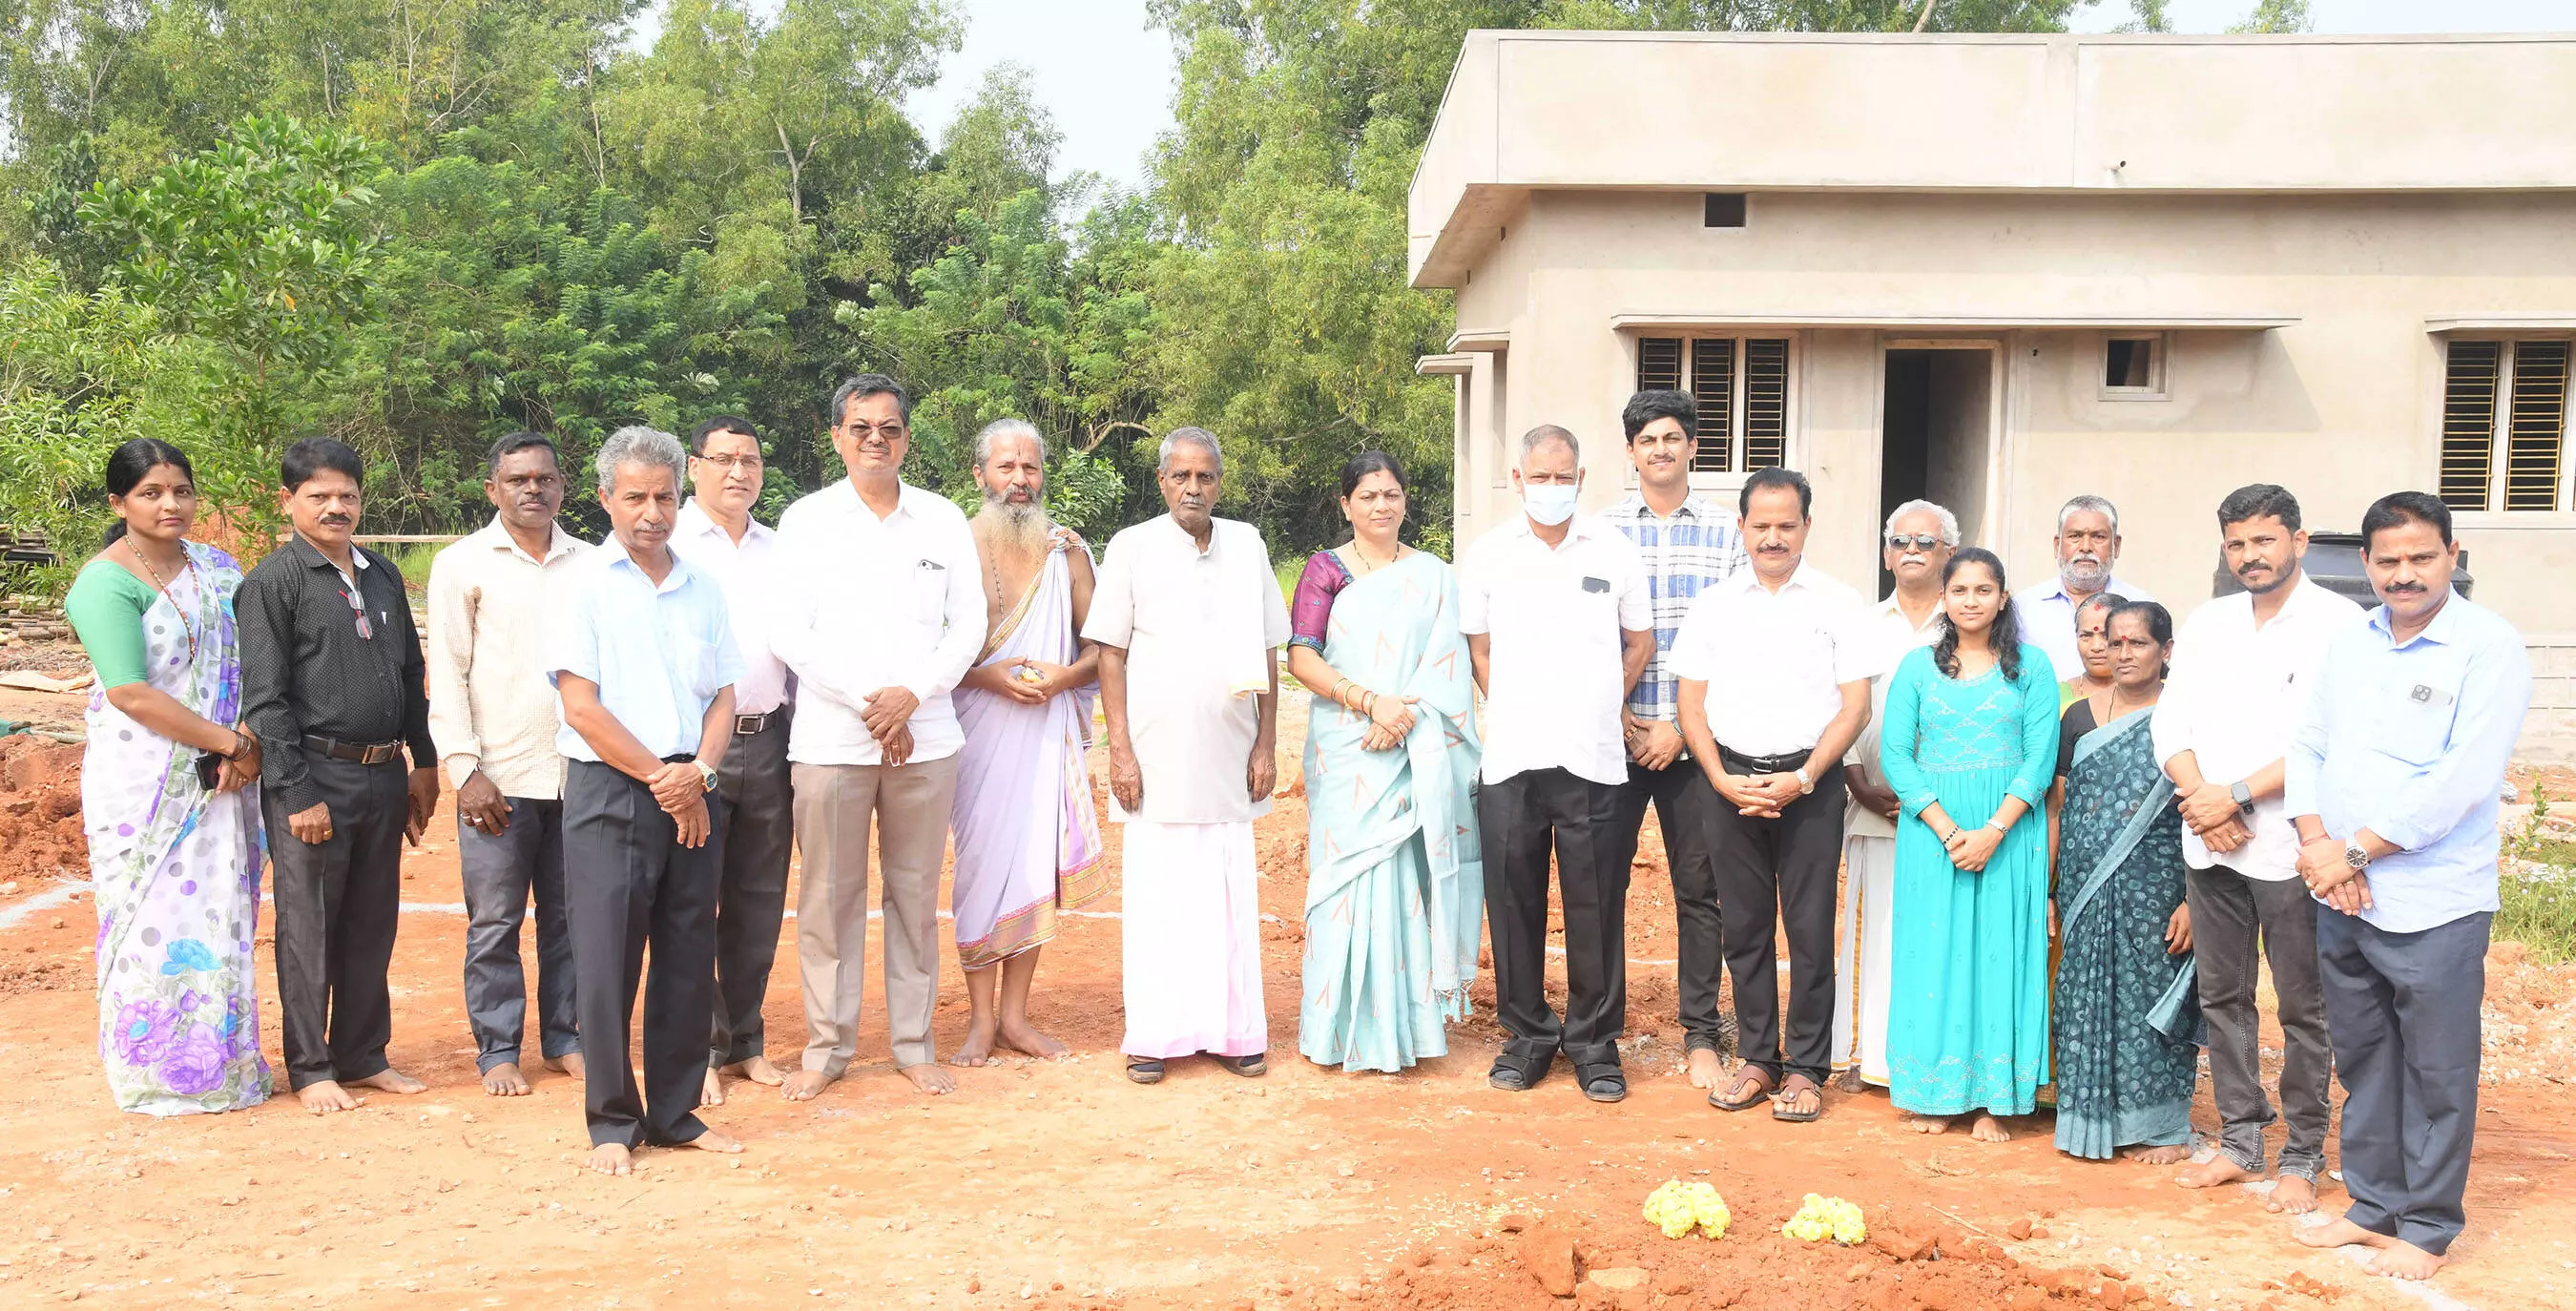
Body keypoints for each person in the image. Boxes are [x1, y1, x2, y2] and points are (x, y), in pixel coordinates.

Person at [2288, 491, 2529, 1281]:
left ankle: (2425, 1227)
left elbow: (2464, 777)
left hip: (2433, 901)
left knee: (2436, 1069)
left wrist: (2354, 852)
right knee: (2364, 1057)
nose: (2404, 574)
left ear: (2452, 556)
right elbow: (2309, 745)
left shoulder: (2487, 647)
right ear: (2365, 563)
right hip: (2342, 893)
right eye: (2387, 560)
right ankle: (2372, 1204)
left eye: (2421, 557)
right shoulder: (2349, 642)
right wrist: (2318, 845)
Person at [770, 375, 984, 1098]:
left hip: (926, 737)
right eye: (861, 427)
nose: (875, 440)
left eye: (889, 428)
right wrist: (872, 702)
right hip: (833, 740)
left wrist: (912, 696)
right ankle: (827, 1048)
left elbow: (970, 624)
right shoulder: (807, 521)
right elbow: (790, 631)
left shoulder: (942, 519)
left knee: (914, 896)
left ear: (907, 439)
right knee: (828, 899)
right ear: (836, 436)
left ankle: (913, 1044)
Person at [2155, 485, 2363, 1213]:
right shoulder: (2208, 623)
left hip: (2291, 847)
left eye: (2264, 540)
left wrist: (2236, 795)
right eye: (2238, 543)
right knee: (2223, 997)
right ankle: (2241, 1140)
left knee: (2304, 1007)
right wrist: (2203, 800)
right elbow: (2170, 724)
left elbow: (2328, 738)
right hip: (2209, 843)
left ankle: (2303, 1153)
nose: (2251, 555)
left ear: (2298, 542)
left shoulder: (2340, 625)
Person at [549, 425, 745, 1175]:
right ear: (605, 499)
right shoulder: (582, 586)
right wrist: (665, 779)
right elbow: (582, 707)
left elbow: (724, 695)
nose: (652, 513)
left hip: (694, 788)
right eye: (635, 497)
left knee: (688, 952)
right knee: (607, 961)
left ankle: (673, 1112)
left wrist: (699, 772)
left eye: (665, 497)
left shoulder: (703, 588)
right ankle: (611, 1120)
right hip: (613, 790)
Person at [239, 436, 441, 1113]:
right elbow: (265, 700)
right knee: (309, 927)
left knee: (371, 921)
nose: (335, 508)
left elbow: (410, 672)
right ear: (288, 500)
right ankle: (311, 1066)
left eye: (347, 495)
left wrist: (423, 761)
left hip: (383, 773)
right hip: (315, 776)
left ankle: (362, 1054)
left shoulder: (381, 573)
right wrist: (297, 791)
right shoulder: (274, 582)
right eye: (318, 495)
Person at [69, 440, 270, 1114]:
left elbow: (251, 660)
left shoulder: (217, 568)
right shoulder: (105, 582)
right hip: (145, 781)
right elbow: (130, 691)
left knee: (218, 912)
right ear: (118, 502)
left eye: (181, 491)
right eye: (150, 493)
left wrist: (242, 744)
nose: (170, 504)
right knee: (151, 917)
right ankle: (156, 1073)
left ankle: (224, 1066)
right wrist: (230, 743)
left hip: (225, 774)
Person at [1088, 427, 1291, 1083]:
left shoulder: (1248, 544)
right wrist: (1120, 751)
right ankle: (1154, 1036)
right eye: (1181, 476)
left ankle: (1234, 1033)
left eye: (1205, 476)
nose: (1193, 488)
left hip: (1232, 755)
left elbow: (1269, 647)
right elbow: (1110, 654)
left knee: (1227, 900)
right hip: (1154, 759)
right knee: (1159, 899)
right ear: (1162, 482)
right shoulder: (1131, 547)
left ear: (1220, 483)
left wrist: (1266, 742)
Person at [1458, 425, 1654, 1103]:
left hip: (1593, 760)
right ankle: (1527, 1036)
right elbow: (1480, 651)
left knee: (1594, 902)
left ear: (1581, 479)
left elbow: (1639, 641)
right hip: (1512, 759)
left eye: (1562, 477)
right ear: (1517, 480)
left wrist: (1600, 703)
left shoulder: (1614, 550)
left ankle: (1595, 1043)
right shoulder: (1488, 554)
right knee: (1513, 901)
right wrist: (1519, 708)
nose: (1550, 488)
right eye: (1538, 476)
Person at [1674, 468, 1872, 1124]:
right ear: (1741, 527)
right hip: (1728, 783)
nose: (1773, 537)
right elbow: (1691, 704)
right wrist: (1719, 778)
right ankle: (1759, 1058)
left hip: (1809, 786)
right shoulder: (1714, 605)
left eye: (1787, 525)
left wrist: (1805, 778)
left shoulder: (1839, 602)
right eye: (1761, 525)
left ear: (1807, 526)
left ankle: (1808, 1068)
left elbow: (1856, 706)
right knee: (1745, 928)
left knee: (1810, 929)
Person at [1285, 451, 1483, 1073]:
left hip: (1411, 743)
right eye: (1367, 495)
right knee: (1342, 883)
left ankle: (1406, 1030)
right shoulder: (1324, 570)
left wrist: (1402, 716)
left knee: (1404, 880)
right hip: (1347, 748)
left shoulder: (1434, 576)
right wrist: (1371, 704)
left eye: (1391, 494)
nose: (1381, 505)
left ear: (1405, 500)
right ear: (1346, 505)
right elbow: (1302, 657)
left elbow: (1448, 666)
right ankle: (1335, 1028)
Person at [426, 432, 589, 1098]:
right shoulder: (462, 564)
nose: (533, 489)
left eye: (545, 478)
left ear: (562, 487)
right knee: (495, 922)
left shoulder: (592, 564)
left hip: (578, 774)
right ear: (493, 489)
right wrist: (465, 770)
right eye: (518, 480)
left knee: (570, 919)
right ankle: (497, 1050)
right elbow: (449, 670)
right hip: (497, 782)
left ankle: (567, 1039)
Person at [1879, 547, 2058, 1142]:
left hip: (2010, 834)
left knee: (2000, 956)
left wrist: (1993, 831)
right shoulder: (1915, 668)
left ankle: (1993, 1100)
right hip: (1934, 836)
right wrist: (1952, 831)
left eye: (1984, 590)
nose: (1972, 601)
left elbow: (2039, 760)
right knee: (1934, 957)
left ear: (2003, 598)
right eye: (1960, 590)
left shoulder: (2031, 667)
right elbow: (1896, 757)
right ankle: (1937, 1093)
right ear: (1944, 599)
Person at [947, 419, 1109, 1066]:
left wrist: (1065, 677)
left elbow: (1103, 647)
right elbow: (929, 651)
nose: (1019, 480)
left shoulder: (1067, 552)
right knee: (981, 870)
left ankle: (1014, 1017)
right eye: (1006, 467)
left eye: (1030, 468)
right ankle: (980, 1021)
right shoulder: (952, 548)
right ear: (980, 475)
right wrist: (988, 677)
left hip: (1044, 733)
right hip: (975, 732)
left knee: (1032, 864)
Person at [1601, 389, 1746, 1089]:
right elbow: (1585, 639)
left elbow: (1740, 641)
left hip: (1697, 742)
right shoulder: (1599, 532)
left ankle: (1700, 1034)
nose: (1659, 449)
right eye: (1646, 439)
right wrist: (1618, 718)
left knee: (1700, 888)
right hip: (1612, 739)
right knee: (1601, 885)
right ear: (1630, 452)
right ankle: (1598, 1031)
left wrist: (1684, 733)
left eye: (1671, 437)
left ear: (1692, 446)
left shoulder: (1728, 533)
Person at [2049, 600, 2199, 1164]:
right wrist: (2050, 889)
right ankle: (2086, 1119)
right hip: (2083, 886)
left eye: (2138, 643)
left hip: (2158, 886)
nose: (2123, 653)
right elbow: (2060, 808)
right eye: (2115, 643)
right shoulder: (2077, 718)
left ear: (2166, 649)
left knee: (2149, 998)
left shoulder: (2186, 715)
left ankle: (2160, 1127)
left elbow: (2200, 810)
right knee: (2081, 996)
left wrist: (2194, 898)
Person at [675, 415, 795, 1107]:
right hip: (695, 749)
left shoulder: (781, 549)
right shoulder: (667, 541)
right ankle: (697, 1048)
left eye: (749, 460)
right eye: (723, 459)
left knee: (757, 899)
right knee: (692, 898)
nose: (738, 472)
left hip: (772, 737)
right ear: (694, 467)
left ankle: (745, 1041)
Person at [1833, 499, 1954, 1092]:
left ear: (1948, 553)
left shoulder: (1968, 621)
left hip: (1951, 812)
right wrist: (1855, 777)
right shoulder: (1861, 623)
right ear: (1886, 554)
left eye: (1926, 542)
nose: (1912, 550)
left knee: (1936, 934)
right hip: (1873, 803)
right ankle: (1870, 1058)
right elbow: (1839, 705)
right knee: (1874, 931)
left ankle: (1930, 1057)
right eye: (1900, 541)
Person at [2018, 496, 2154, 683]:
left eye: (2098, 537)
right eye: (2075, 536)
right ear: (2057, 545)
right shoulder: (2023, 607)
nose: (2085, 547)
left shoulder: (2142, 606)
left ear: (2116, 545)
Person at [2058, 593, 2126, 712]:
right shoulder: (2056, 695)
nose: (2096, 647)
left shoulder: (2150, 693)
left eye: (2106, 635)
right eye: (2086, 636)